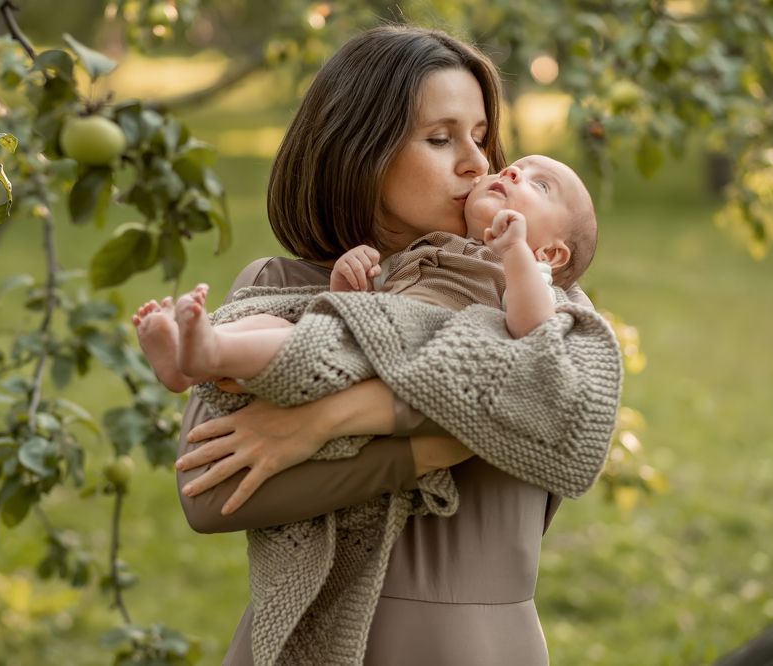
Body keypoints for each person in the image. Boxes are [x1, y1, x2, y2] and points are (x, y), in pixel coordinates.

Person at [137, 25, 619, 666]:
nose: (478, 163)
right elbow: (209, 496)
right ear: (360, 150)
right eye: (441, 138)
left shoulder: (534, 296)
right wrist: (441, 440)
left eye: (480, 137)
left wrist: (321, 422)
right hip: (308, 640)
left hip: (478, 649)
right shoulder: (283, 290)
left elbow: (558, 410)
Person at [134, 154, 597, 390]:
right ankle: (188, 362)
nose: (513, 173)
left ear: (553, 254)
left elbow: (530, 325)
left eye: (539, 184)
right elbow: (385, 295)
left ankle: (211, 352)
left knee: (308, 342)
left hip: (409, 348)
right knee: (283, 324)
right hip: (376, 328)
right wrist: (349, 283)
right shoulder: (435, 243)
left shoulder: (533, 276)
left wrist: (516, 254)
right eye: (514, 167)